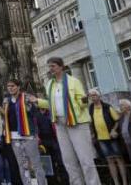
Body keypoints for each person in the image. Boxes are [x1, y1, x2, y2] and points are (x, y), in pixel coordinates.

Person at [34, 57, 100, 185]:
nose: (50, 69)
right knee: (69, 160)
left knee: (85, 160)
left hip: (77, 123)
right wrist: (37, 101)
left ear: (61, 67)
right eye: (49, 66)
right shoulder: (50, 85)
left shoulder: (73, 81)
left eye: (53, 66)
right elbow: (51, 105)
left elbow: (82, 103)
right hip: (60, 124)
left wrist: (86, 98)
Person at [2, 80, 47, 185]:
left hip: (29, 136)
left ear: (18, 87)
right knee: (22, 165)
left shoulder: (26, 98)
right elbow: (5, 118)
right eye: (8, 86)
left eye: (12, 86)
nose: (10, 88)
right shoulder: (6, 101)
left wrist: (33, 104)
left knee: (36, 164)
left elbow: (36, 114)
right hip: (14, 137)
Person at [87, 89, 127, 185]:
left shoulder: (107, 107)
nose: (93, 97)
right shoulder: (91, 108)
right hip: (101, 138)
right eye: (91, 96)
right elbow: (91, 122)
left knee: (119, 159)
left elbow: (117, 120)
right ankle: (116, 183)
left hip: (112, 137)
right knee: (109, 160)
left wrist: (113, 130)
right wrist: (92, 133)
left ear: (99, 96)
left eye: (94, 95)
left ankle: (125, 182)